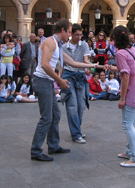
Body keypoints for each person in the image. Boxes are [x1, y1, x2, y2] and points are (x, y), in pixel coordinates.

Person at [31, 19, 102, 162]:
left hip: (48, 82)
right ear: (63, 30)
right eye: (69, 32)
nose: (70, 35)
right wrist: (59, 80)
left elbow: (73, 63)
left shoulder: (57, 44)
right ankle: (36, 150)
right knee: (46, 117)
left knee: (55, 115)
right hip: (42, 81)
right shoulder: (50, 42)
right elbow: (45, 65)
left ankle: (53, 145)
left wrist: (96, 66)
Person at [109, 25, 135, 168]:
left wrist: (122, 98)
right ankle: (129, 151)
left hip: (132, 92)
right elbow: (128, 69)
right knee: (133, 123)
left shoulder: (120, 53)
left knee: (127, 124)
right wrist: (112, 67)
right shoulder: (132, 50)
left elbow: (125, 76)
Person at [61, 23, 93, 144]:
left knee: (81, 106)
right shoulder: (64, 47)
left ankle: (77, 130)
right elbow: (63, 65)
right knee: (72, 106)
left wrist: (89, 66)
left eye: (80, 35)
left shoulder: (84, 44)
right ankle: (76, 134)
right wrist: (60, 79)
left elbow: (86, 59)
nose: (79, 37)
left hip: (80, 76)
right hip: (68, 76)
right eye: (77, 35)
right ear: (71, 34)